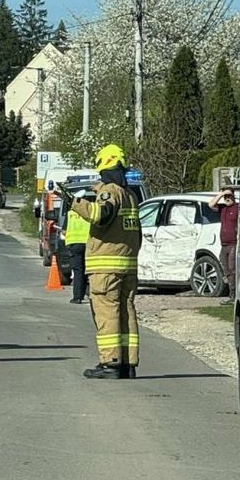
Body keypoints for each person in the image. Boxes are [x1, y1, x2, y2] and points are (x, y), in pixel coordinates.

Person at [69, 145, 142, 380]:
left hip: (106, 269)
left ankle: (110, 362)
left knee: (107, 314)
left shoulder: (110, 191)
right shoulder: (130, 195)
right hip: (127, 266)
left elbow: (102, 215)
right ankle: (127, 363)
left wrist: (77, 203)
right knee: (126, 313)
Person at [208, 187, 239, 303]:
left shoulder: (237, 208)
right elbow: (211, 205)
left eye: (229, 196)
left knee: (232, 268)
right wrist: (221, 194)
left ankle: (235, 294)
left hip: (233, 243)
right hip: (224, 244)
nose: (227, 199)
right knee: (226, 269)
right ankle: (232, 293)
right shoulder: (223, 208)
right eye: (226, 197)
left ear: (233, 197)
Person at [64, 191, 92, 304]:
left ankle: (77, 297)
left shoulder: (70, 213)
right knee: (87, 270)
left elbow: (65, 230)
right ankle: (84, 293)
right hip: (87, 244)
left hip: (74, 244)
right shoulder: (89, 213)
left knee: (77, 271)